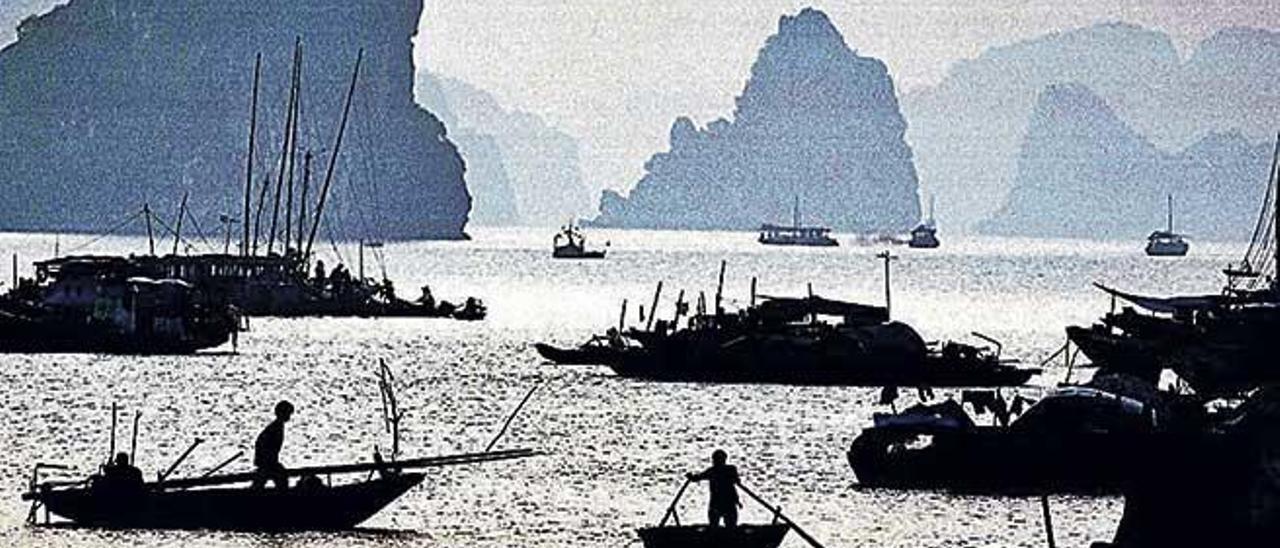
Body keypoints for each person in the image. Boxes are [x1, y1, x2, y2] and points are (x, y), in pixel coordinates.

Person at [686, 449, 741, 528]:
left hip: (726, 502)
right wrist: (691, 477)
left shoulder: (723, 470)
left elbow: (736, 480)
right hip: (719, 502)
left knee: (728, 525)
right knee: (717, 525)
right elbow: (697, 478)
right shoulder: (720, 470)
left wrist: (692, 477)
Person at [252, 400, 293, 490]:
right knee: (279, 479)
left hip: (268, 461)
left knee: (263, 481)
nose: (289, 416)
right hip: (267, 461)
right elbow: (264, 444)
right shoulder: (275, 427)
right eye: (288, 414)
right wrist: (269, 461)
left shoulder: (277, 426)